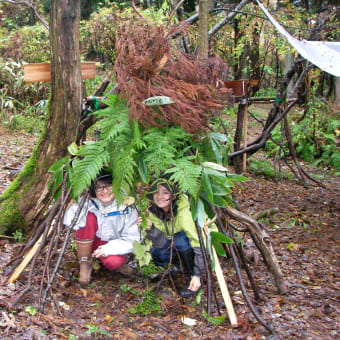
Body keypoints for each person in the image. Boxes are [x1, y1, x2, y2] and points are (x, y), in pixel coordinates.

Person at [63, 172, 140, 285]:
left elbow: (132, 239)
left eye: (109, 186)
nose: (104, 191)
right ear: (94, 190)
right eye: (99, 187)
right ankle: (85, 262)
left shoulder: (128, 204)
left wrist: (107, 249)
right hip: (92, 242)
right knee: (87, 217)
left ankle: (117, 263)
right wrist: (78, 197)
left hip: (115, 243)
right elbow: (69, 221)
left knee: (113, 262)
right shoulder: (90, 201)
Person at [142, 178, 204, 298]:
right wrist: (150, 228)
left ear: (174, 196)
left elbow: (199, 244)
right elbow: (160, 242)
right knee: (157, 254)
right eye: (156, 192)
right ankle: (179, 265)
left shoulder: (183, 213)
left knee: (180, 239)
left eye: (165, 192)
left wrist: (197, 274)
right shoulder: (153, 212)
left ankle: (192, 277)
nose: (159, 196)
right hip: (174, 244)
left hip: (192, 245)